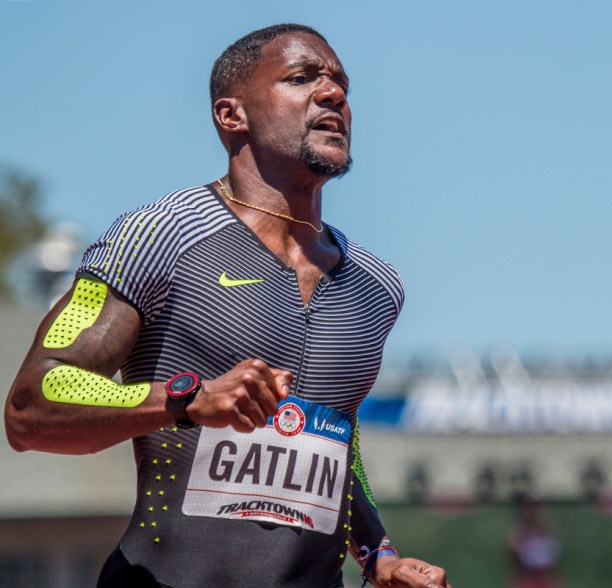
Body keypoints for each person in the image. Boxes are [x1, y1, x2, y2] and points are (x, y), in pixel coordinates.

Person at [5, 23, 450, 588]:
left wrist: (377, 553)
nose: (333, 93)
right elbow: (32, 404)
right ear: (231, 116)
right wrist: (186, 400)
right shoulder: (156, 236)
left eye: (341, 83)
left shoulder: (375, 286)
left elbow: (334, 441)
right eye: (301, 78)